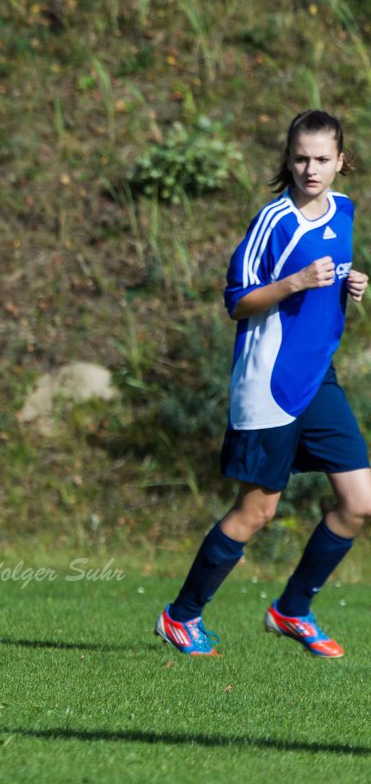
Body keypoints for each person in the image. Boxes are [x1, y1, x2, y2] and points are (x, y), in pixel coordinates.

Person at [155, 110, 371, 657]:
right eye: (300, 158)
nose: (310, 169)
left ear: (342, 161)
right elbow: (237, 301)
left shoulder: (344, 210)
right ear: (287, 159)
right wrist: (294, 282)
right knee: (258, 512)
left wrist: (349, 284)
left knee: (360, 501)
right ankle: (181, 618)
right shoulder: (273, 220)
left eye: (322, 159)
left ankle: (292, 609)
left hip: (318, 378)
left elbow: (326, 281)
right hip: (268, 383)